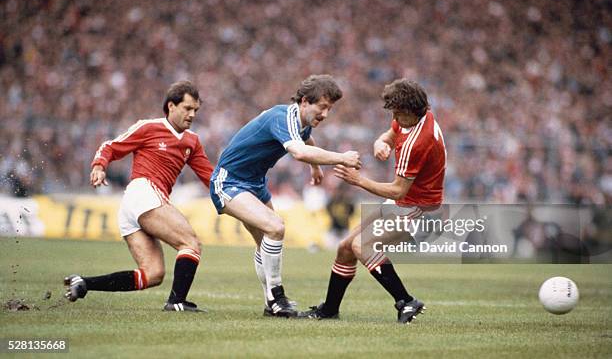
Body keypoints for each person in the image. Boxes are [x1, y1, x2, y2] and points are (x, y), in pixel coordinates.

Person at [209, 74, 361, 317]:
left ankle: (271, 304)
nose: (326, 114)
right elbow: (299, 152)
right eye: (322, 107)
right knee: (275, 227)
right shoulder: (282, 117)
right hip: (229, 181)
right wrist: (341, 158)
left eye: (330, 108)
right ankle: (277, 296)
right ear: (304, 101)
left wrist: (315, 167)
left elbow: (306, 136)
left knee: (265, 242)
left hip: (255, 183)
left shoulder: (302, 121)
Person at [298, 78, 446, 324]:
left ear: (410, 110)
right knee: (346, 247)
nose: (395, 118)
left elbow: (398, 191)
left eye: (398, 113)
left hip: (417, 207)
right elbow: (388, 135)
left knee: (363, 246)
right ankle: (329, 310)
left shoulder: (418, 143)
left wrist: (358, 180)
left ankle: (406, 301)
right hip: (407, 202)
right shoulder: (416, 117)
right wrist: (381, 144)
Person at [64, 80, 214, 312]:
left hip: (139, 205)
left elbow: (209, 177)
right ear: (171, 106)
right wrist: (99, 166)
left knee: (153, 274)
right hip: (143, 193)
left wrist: (235, 195)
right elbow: (111, 146)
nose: (192, 114)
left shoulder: (192, 142)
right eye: (187, 108)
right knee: (190, 243)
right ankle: (177, 302)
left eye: (196, 110)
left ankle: (84, 283)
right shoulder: (149, 127)